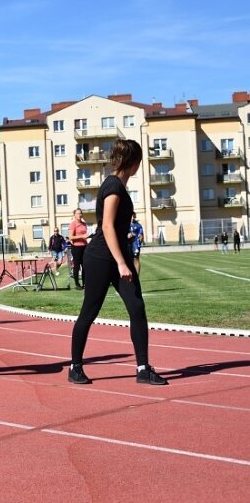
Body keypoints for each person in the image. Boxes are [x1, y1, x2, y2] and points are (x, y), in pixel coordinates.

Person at [68, 139, 167, 386]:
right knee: (89, 312)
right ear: (133, 162)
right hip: (101, 258)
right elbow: (107, 225)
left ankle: (143, 368)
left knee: (136, 307)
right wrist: (122, 263)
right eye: (139, 162)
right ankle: (75, 367)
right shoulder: (113, 185)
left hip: (117, 255)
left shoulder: (120, 185)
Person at [68, 208, 88, 290]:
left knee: (85, 266)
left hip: (85, 246)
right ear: (74, 215)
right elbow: (70, 237)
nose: (79, 215)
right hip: (76, 247)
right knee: (77, 266)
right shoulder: (73, 224)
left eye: (80, 213)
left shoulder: (84, 224)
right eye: (78, 213)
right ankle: (77, 284)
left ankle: (85, 284)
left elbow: (85, 235)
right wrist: (82, 236)